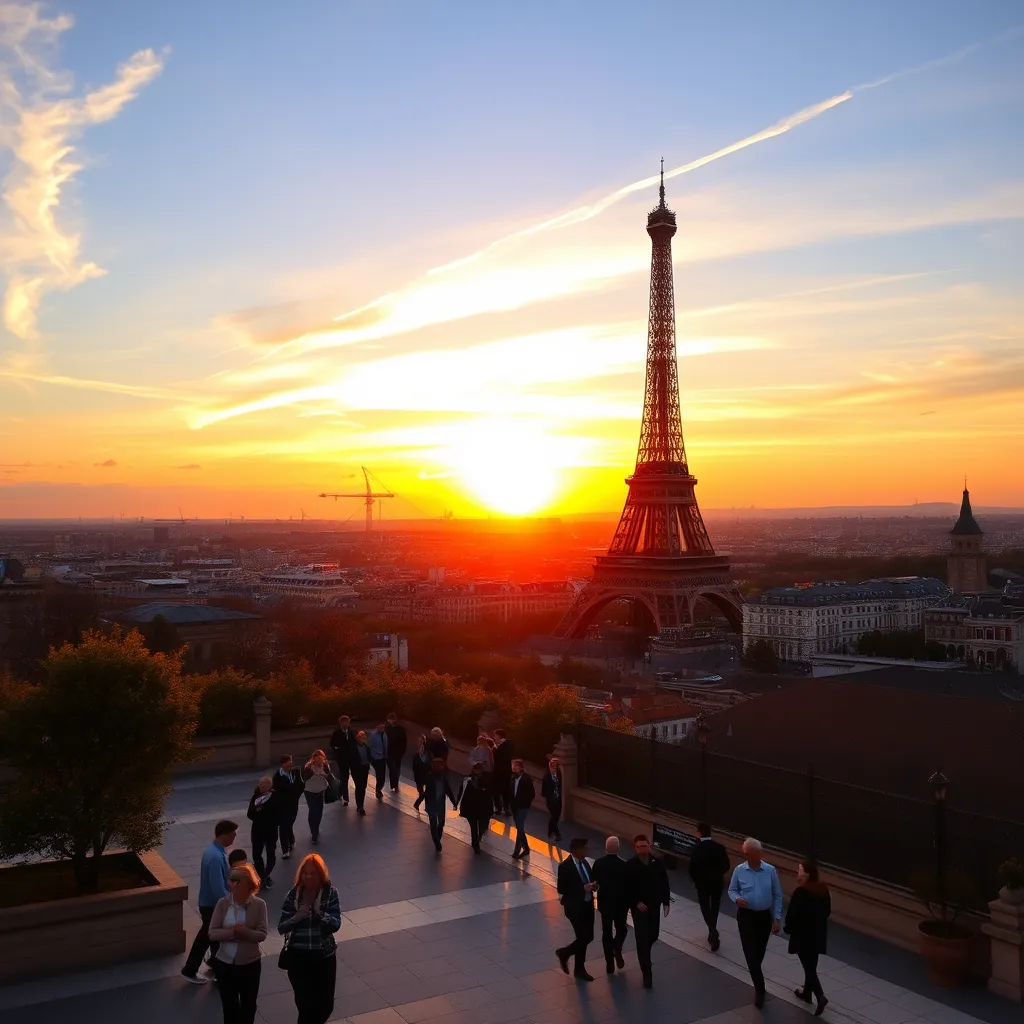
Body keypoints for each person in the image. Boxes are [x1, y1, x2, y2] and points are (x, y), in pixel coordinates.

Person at [279, 854, 341, 1024]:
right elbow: (281, 927)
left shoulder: (330, 893)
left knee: (325, 1005)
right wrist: (296, 917)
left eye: (313, 873)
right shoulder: (293, 895)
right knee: (305, 1006)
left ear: (321, 874)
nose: (309, 876)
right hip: (299, 957)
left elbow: (336, 924)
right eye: (306, 873)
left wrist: (319, 913)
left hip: (324, 957)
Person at [208, 862, 268, 1024]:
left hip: (250, 965)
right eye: (231, 879)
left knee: (248, 1007)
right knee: (230, 1007)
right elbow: (212, 933)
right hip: (224, 964)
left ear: (248, 884)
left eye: (236, 880)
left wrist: (246, 932)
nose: (231, 883)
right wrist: (233, 933)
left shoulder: (259, 905)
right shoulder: (223, 904)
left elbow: (262, 934)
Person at [728, 837, 783, 1009]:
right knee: (750, 955)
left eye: (758, 853)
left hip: (763, 917)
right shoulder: (739, 870)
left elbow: (777, 894)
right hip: (746, 917)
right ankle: (760, 990)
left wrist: (777, 917)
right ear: (747, 855)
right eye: (752, 854)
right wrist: (737, 899)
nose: (757, 856)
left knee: (758, 953)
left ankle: (756, 977)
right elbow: (732, 890)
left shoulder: (770, 870)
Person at [182, 819, 238, 984]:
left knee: (212, 937)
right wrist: (228, 904)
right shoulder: (215, 856)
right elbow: (217, 886)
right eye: (233, 834)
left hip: (209, 903)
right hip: (212, 905)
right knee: (208, 937)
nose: (234, 838)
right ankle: (190, 969)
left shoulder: (214, 851)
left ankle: (215, 966)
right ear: (225, 835)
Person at [784, 860, 831, 1016]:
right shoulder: (823, 890)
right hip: (818, 935)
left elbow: (793, 914)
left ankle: (820, 996)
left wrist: (788, 928)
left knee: (808, 967)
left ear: (807, 874)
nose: (798, 873)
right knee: (812, 964)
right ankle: (807, 994)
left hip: (803, 936)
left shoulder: (801, 892)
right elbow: (827, 911)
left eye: (800, 870)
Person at [625, 834, 671, 989]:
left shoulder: (657, 863)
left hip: (654, 905)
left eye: (644, 846)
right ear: (635, 848)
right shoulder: (630, 865)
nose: (641, 849)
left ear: (649, 846)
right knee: (642, 938)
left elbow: (664, 882)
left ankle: (644, 950)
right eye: (638, 847)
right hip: (639, 908)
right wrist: (636, 902)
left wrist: (665, 901)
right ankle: (647, 971)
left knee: (653, 934)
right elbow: (627, 888)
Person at [555, 837, 597, 981]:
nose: (587, 849)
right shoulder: (565, 867)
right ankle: (568, 957)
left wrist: (594, 886)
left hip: (588, 905)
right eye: (585, 847)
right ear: (576, 850)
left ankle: (570, 959)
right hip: (574, 908)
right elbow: (561, 888)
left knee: (587, 937)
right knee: (584, 937)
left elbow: (590, 879)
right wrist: (581, 888)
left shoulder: (585, 863)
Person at [688, 821, 730, 951]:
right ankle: (712, 933)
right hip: (717, 882)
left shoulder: (697, 849)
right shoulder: (719, 848)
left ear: (699, 833)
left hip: (702, 883)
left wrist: (696, 879)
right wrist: (718, 874)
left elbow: (692, 868)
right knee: (715, 906)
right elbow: (726, 865)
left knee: (705, 906)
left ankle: (713, 931)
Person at [591, 835, 629, 974]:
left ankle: (609, 963)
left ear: (605, 848)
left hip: (605, 904)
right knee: (622, 929)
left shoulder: (598, 863)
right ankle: (616, 947)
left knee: (606, 932)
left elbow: (593, 881)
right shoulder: (624, 865)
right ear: (618, 848)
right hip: (620, 904)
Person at [246, 776, 278, 889]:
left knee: (271, 853)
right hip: (257, 830)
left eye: (263, 785)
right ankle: (262, 875)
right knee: (256, 854)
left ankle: (267, 874)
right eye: (260, 784)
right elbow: (249, 814)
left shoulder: (275, 798)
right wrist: (257, 812)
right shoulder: (256, 797)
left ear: (269, 787)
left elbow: (279, 815)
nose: (260, 786)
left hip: (270, 831)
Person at [422, 757, 458, 851]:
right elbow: (426, 792)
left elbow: (448, 790)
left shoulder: (443, 778)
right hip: (432, 804)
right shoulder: (430, 777)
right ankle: (436, 841)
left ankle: (437, 838)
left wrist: (454, 802)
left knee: (440, 823)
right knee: (434, 824)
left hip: (440, 804)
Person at [273, 754, 304, 860]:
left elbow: (300, 786)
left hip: (293, 804)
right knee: (283, 827)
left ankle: (291, 840)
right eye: (287, 761)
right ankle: (285, 850)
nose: (290, 763)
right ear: (282, 764)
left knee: (289, 824)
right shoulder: (277, 777)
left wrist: (296, 796)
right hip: (282, 805)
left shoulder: (295, 773)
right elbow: (277, 792)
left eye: (290, 761)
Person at [457, 762, 492, 853]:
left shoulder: (486, 779)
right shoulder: (468, 780)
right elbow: (462, 792)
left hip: (482, 808)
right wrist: (457, 803)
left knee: (482, 826)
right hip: (471, 808)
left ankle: (478, 837)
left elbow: (490, 792)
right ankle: (475, 845)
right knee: (474, 827)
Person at [300, 750, 335, 844]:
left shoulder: (325, 765)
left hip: (321, 790)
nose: (320, 761)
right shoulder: (308, 766)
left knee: (319, 811)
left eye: (322, 758)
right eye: (318, 758)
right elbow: (304, 778)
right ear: (314, 758)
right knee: (313, 810)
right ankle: (313, 832)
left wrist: (325, 773)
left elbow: (329, 776)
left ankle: (316, 827)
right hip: (310, 791)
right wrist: (313, 772)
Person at [509, 758, 535, 860]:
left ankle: (519, 850)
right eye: (513, 766)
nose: (514, 768)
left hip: (522, 807)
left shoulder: (526, 779)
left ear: (521, 768)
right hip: (514, 807)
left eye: (516, 766)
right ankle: (525, 848)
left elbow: (531, 794)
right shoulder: (512, 777)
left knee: (520, 828)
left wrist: (524, 803)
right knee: (519, 828)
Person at [328, 715, 356, 806]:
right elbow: (332, 744)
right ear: (340, 723)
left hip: (351, 758)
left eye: (347, 722)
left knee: (346, 778)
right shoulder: (336, 733)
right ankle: (345, 797)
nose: (346, 724)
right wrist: (337, 751)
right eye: (344, 723)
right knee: (344, 777)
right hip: (342, 759)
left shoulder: (351, 732)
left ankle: (340, 793)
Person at [492, 728, 514, 815]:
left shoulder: (507, 745)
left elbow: (501, 757)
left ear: (500, 736)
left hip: (505, 772)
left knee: (505, 790)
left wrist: (494, 749)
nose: (494, 737)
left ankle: (506, 807)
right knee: (496, 790)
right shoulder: (499, 745)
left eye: (495, 735)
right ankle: (499, 808)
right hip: (498, 772)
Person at [541, 757, 564, 841]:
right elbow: (544, 788)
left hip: (558, 799)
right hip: (551, 800)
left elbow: (560, 785)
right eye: (552, 765)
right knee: (553, 816)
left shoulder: (559, 773)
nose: (554, 767)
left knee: (556, 816)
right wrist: (546, 798)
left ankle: (551, 831)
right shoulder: (547, 775)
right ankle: (556, 834)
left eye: (555, 766)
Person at [350, 730, 372, 815]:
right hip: (356, 770)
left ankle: (361, 804)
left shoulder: (366, 747)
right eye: (362, 738)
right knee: (359, 787)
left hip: (364, 769)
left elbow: (369, 757)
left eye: (365, 738)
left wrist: (368, 762)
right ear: (358, 738)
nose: (364, 740)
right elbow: (351, 759)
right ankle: (359, 806)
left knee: (363, 788)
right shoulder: (353, 748)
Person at [384, 712, 408, 793]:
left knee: (396, 769)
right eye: (389, 720)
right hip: (389, 752)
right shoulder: (387, 728)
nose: (391, 721)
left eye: (392, 719)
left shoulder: (400, 729)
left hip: (398, 752)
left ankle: (395, 784)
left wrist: (402, 751)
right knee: (391, 769)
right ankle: (393, 784)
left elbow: (404, 741)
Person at [367, 722, 389, 801]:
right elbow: (368, 746)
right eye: (381, 726)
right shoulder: (373, 736)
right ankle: (378, 790)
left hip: (383, 757)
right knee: (379, 775)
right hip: (375, 758)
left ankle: (379, 788)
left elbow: (386, 745)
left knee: (382, 775)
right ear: (378, 726)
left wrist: (386, 755)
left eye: (383, 726)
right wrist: (370, 758)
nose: (382, 728)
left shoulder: (384, 735)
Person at [411, 734, 431, 810]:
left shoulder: (428, 756)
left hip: (426, 777)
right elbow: (414, 768)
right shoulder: (416, 756)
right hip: (419, 778)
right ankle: (417, 804)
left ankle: (427, 807)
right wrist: (416, 776)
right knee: (421, 794)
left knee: (428, 793)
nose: (421, 748)